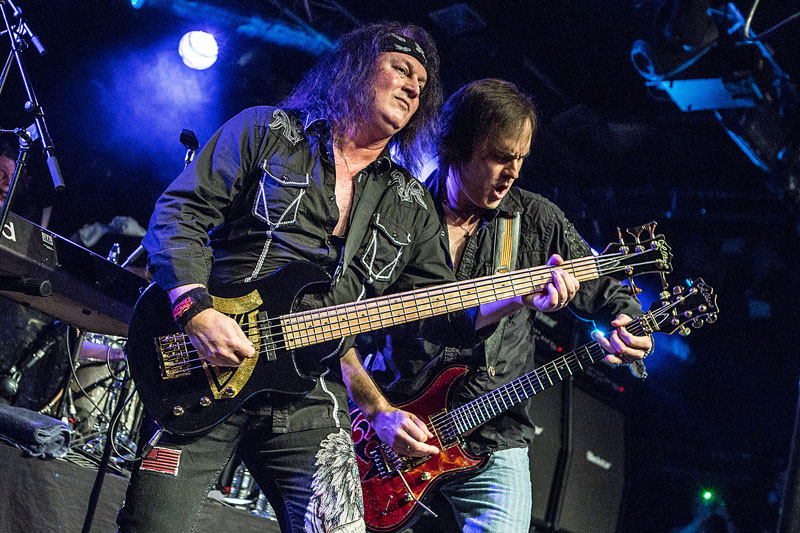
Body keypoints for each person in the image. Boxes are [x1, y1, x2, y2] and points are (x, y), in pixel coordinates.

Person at [117, 23, 550, 533]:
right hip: (208, 371)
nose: (413, 87)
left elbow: (445, 319)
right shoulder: (267, 131)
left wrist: (519, 297)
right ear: (356, 68)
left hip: (310, 396)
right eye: (401, 69)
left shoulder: (409, 204)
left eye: (421, 84)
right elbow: (180, 213)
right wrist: (196, 309)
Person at [350, 79, 653, 532]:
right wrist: (375, 410)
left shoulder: (536, 220)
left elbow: (606, 290)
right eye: (499, 157)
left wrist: (630, 322)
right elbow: (341, 320)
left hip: (493, 432)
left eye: (521, 159)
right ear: (456, 147)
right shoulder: (401, 211)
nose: (512, 173)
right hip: (391, 421)